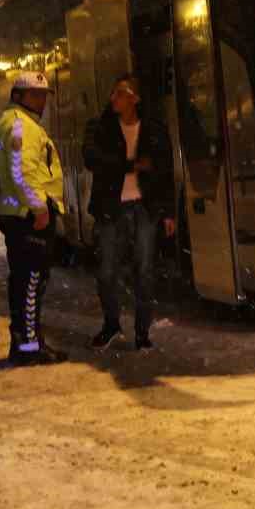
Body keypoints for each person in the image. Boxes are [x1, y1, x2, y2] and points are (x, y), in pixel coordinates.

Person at [83, 75, 176, 352]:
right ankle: (111, 325)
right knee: (107, 272)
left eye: (120, 94)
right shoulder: (100, 127)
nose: (113, 99)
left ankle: (142, 333)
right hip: (111, 209)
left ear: (134, 98)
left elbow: (164, 171)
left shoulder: (154, 129)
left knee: (145, 271)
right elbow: (91, 159)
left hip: (144, 208)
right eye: (113, 94)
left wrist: (168, 211)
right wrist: (129, 165)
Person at [0, 70, 69, 366]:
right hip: (27, 216)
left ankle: (25, 344)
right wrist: (40, 209)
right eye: (35, 95)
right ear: (18, 96)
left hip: (17, 214)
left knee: (24, 281)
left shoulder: (13, 122)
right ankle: (30, 348)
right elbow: (21, 174)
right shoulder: (21, 126)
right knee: (33, 281)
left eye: (44, 95)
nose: (41, 101)